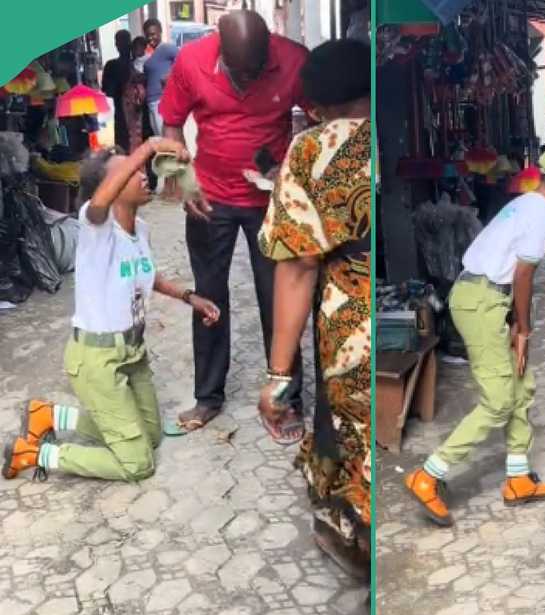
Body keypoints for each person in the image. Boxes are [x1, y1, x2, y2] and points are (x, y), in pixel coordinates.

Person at [2, 138, 220, 482]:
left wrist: (188, 296)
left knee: (150, 438)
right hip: (96, 360)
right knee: (138, 464)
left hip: (133, 352)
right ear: (110, 187)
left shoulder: (141, 230)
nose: (143, 175)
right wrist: (147, 149)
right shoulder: (94, 225)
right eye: (130, 172)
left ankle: (49, 416)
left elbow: (144, 274)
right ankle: (37, 452)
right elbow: (100, 202)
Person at [404, 145, 545, 526]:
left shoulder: (528, 203)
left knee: (521, 385)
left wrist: (516, 323)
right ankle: (428, 474)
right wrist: (523, 327)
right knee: (498, 401)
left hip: (484, 296)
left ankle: (518, 478)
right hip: (482, 301)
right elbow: (523, 275)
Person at [159, 10, 311, 436]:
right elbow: (172, 121)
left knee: (278, 298)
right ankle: (208, 397)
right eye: (238, 72)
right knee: (209, 297)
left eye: (255, 71)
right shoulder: (192, 61)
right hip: (209, 199)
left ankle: (286, 399)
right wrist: (181, 179)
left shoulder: (294, 60)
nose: (247, 81)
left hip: (272, 200)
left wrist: (293, 163)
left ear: (269, 51)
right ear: (220, 51)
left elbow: (323, 118)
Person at [258, 39, 372, 580]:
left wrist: (279, 378)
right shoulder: (391, 133)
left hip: (349, 325)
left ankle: (356, 544)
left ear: (316, 103)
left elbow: (299, 265)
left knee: (347, 436)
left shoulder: (308, 150)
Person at [142, 19, 178, 137]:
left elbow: (184, 61)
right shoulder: (150, 54)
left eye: (153, 34)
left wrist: (171, 76)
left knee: (165, 141)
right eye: (147, 35)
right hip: (151, 103)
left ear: (160, 32)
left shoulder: (166, 48)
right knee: (159, 141)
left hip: (161, 101)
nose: (150, 38)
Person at [101, 30, 134, 151]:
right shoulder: (112, 65)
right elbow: (107, 91)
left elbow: (107, 90)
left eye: (124, 42)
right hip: (122, 113)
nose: (123, 45)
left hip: (137, 115)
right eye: (120, 42)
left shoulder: (138, 63)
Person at [122, 37, 149, 153]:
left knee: (145, 128)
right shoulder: (131, 63)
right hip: (134, 99)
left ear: (144, 47)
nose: (134, 50)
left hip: (146, 99)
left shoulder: (149, 60)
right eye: (133, 47)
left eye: (137, 47)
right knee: (135, 130)